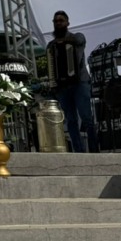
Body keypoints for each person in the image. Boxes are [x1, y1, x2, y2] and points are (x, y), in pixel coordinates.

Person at [45, 10, 99, 153]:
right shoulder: (51, 46)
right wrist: (53, 82)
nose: (58, 23)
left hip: (80, 83)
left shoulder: (77, 37)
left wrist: (63, 41)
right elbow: (51, 64)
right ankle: (79, 151)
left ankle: (94, 151)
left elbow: (80, 40)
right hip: (62, 87)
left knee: (86, 117)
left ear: (68, 23)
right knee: (71, 121)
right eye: (56, 21)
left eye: (61, 20)